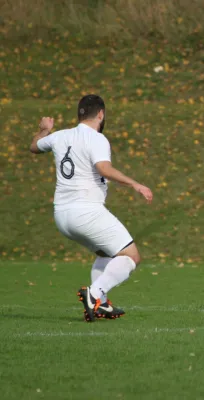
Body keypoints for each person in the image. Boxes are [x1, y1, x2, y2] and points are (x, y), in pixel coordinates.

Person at [29, 94, 153, 322]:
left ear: (80, 114)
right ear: (101, 114)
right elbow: (104, 169)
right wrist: (135, 183)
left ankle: (101, 305)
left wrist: (44, 129)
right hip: (85, 211)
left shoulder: (60, 136)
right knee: (131, 256)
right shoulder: (96, 138)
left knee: (106, 253)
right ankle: (94, 295)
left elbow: (34, 146)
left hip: (62, 215)